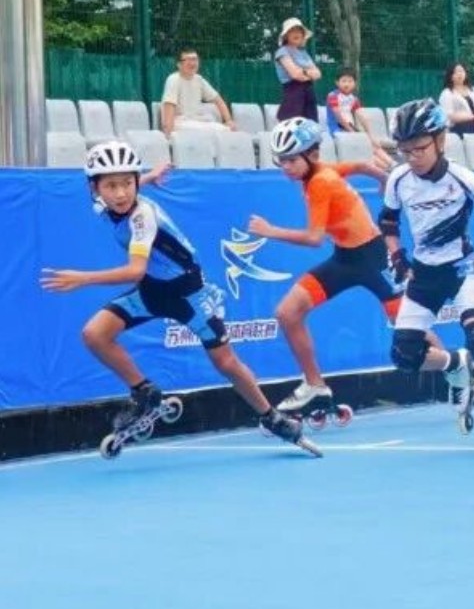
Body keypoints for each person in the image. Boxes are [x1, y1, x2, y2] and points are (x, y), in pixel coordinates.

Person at [38, 140, 318, 458]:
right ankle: (145, 393)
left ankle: (271, 417)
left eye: (127, 183)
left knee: (226, 362)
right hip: (152, 291)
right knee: (94, 334)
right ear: (95, 189)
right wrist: (150, 176)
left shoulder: (142, 217)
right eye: (111, 186)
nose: (121, 193)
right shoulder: (104, 205)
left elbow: (134, 270)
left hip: (189, 295)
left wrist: (82, 278)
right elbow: (125, 194)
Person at [253, 117, 456, 430]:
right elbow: (361, 165)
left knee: (408, 326)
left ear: (312, 155)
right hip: (346, 259)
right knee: (287, 313)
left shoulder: (321, 181)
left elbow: (314, 238)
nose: (286, 167)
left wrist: (270, 231)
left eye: (291, 160)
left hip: (373, 259)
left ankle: (457, 372)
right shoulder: (322, 170)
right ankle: (315, 386)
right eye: (281, 161)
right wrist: (383, 178)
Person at [381, 99, 474, 454]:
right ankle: (455, 363)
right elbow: (388, 221)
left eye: (419, 148)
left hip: (462, 268)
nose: (412, 157)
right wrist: (396, 255)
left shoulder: (461, 178)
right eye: (404, 150)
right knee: (404, 356)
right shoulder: (398, 179)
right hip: (423, 274)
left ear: (440, 141)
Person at [159, 49, 237, 134]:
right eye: (188, 60)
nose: (193, 63)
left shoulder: (199, 79)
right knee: (219, 130)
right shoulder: (173, 79)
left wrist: (229, 120)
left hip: (196, 121)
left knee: (227, 129)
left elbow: (218, 100)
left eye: (195, 59)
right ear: (179, 64)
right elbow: (169, 106)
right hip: (179, 123)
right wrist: (168, 135)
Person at [273, 17, 322, 123]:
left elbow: (318, 74)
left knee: (311, 126)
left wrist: (304, 72)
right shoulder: (282, 52)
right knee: (292, 125)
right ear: (286, 36)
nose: (296, 34)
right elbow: (295, 74)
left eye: (299, 31)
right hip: (293, 94)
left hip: (309, 93)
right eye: (292, 31)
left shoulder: (303, 53)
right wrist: (308, 72)